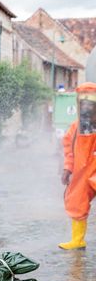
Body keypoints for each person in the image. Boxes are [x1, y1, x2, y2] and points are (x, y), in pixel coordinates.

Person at [58, 82, 96, 250]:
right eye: (83, 103)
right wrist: (67, 168)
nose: (87, 107)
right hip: (82, 171)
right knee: (77, 201)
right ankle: (77, 240)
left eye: (90, 103)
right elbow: (69, 149)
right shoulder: (75, 127)